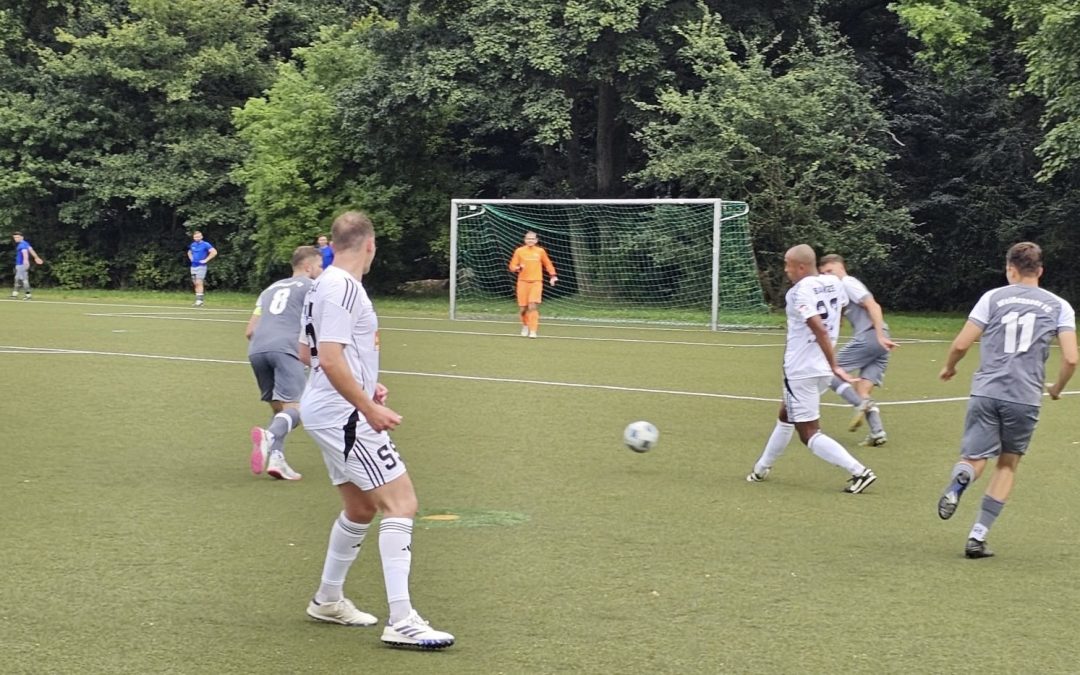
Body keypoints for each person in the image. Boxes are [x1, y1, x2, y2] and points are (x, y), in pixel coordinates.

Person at [300, 210, 454, 649]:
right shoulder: (343, 288)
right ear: (370, 245)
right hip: (344, 416)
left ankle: (327, 599)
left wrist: (366, 382)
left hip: (329, 409)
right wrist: (365, 404)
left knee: (361, 509)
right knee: (401, 503)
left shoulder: (319, 287)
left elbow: (304, 353)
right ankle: (402, 619)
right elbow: (328, 359)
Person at [936, 242, 1076, 559]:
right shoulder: (1059, 306)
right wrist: (1056, 388)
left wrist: (950, 367)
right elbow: (1071, 358)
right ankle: (977, 536)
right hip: (1024, 397)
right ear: (1039, 271)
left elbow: (961, 344)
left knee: (974, 458)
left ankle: (962, 479)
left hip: (986, 391)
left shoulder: (993, 297)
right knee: (1008, 464)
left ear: (1010, 269)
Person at [746, 244, 878, 494]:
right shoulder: (833, 282)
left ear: (802, 266)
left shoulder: (798, 292)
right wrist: (831, 353)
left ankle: (859, 471)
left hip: (802, 369)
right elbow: (837, 312)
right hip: (818, 370)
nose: (785, 270)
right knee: (786, 415)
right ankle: (761, 469)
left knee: (808, 433)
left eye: (788, 264)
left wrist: (834, 363)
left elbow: (816, 325)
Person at [245, 245, 324, 481]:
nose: (322, 271)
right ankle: (269, 437)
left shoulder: (270, 289)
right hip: (286, 348)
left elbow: (250, 330)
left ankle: (277, 460)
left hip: (257, 350)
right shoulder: (313, 287)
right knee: (300, 410)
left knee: (280, 410)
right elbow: (318, 323)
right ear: (309, 266)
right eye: (320, 266)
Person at [818, 254, 898, 447]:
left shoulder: (848, 282)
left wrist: (879, 335)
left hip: (872, 337)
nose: (828, 276)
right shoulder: (839, 290)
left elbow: (873, 305)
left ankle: (859, 404)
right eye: (824, 274)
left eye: (830, 271)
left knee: (828, 370)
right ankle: (877, 433)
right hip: (879, 344)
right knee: (862, 388)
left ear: (841, 267)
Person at [508, 231, 557, 338]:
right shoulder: (519, 251)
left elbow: (548, 263)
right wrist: (517, 268)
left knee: (532, 306)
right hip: (522, 283)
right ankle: (525, 325)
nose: (530, 240)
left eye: (532, 239)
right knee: (523, 309)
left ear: (536, 240)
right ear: (525, 240)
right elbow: (512, 266)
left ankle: (533, 331)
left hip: (536, 282)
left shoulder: (540, 251)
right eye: (528, 239)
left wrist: (553, 275)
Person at [187, 230, 217, 307]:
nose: (197, 238)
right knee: (195, 283)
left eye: (198, 236)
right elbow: (189, 252)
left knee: (199, 282)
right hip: (193, 266)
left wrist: (206, 260)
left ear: (201, 237)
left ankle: (200, 301)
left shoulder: (205, 244)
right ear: (193, 237)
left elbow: (214, 252)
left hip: (201, 266)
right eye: (195, 237)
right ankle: (198, 300)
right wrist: (191, 258)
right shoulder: (193, 244)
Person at [11, 232, 43, 300]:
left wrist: (26, 262)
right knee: (17, 279)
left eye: (17, 237)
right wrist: (36, 257)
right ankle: (15, 294)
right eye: (14, 237)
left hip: (21, 265)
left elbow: (25, 253)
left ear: (22, 237)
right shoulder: (25, 243)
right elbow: (31, 250)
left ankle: (28, 295)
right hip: (20, 265)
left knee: (24, 280)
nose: (15, 239)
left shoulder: (22, 245)